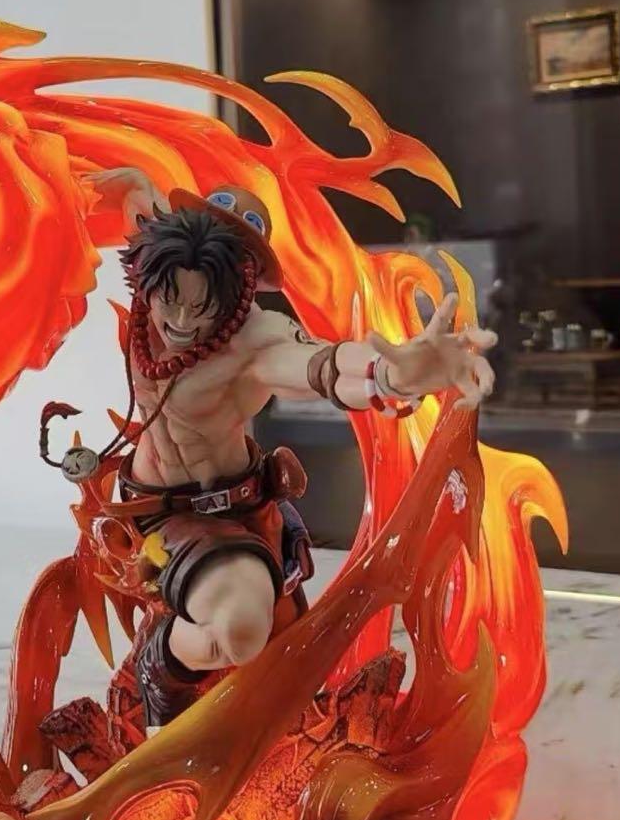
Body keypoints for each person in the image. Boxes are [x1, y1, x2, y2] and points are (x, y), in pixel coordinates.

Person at [82, 168, 496, 726]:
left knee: (246, 634)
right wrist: (115, 181)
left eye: (201, 308)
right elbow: (137, 202)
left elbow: (322, 365)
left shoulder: (255, 338)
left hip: (224, 514)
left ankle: (162, 663)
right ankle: (172, 680)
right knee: (244, 634)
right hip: (144, 510)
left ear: (240, 289)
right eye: (170, 300)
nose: (179, 321)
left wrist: (391, 375)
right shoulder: (160, 260)